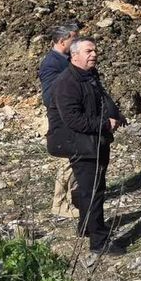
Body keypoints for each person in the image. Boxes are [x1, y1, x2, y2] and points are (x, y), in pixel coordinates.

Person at [46, 38, 126, 264]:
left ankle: (86, 226)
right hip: (80, 144)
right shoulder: (66, 83)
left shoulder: (90, 76)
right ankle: (99, 242)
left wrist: (117, 116)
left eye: (95, 50)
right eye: (88, 51)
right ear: (75, 55)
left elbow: (101, 100)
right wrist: (104, 124)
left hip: (95, 142)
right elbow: (73, 120)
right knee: (93, 191)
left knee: (94, 186)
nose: (94, 54)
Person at [39, 23, 79, 219]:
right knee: (67, 160)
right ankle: (60, 204)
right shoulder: (51, 63)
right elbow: (49, 96)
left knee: (75, 160)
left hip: (72, 118)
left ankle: (73, 197)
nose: (77, 42)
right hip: (62, 120)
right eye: (74, 39)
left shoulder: (65, 59)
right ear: (63, 41)